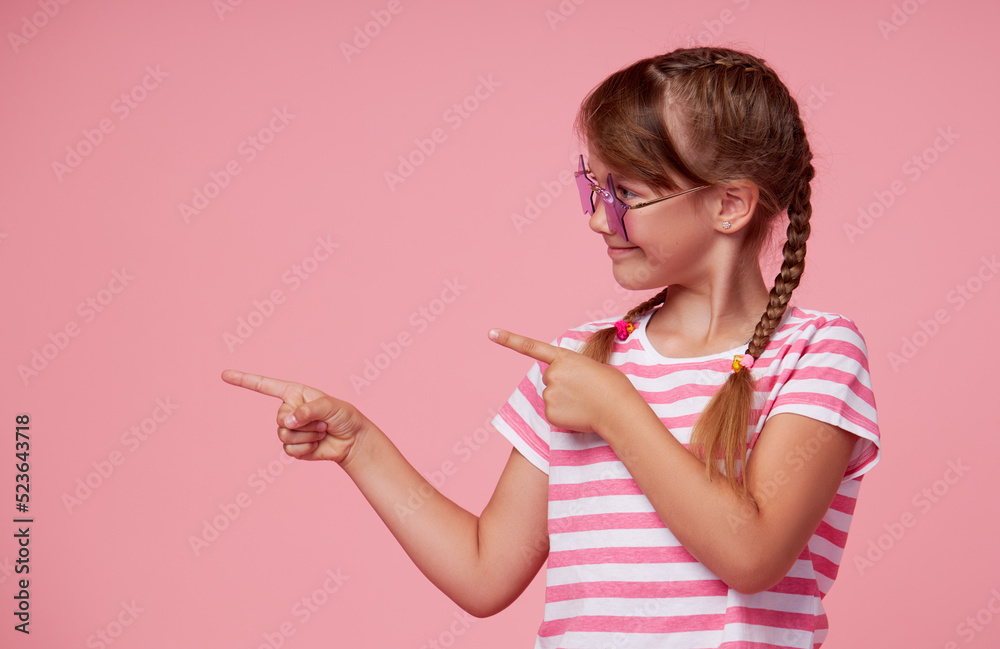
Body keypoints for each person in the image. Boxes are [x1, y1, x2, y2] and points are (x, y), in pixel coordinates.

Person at [222, 46, 881, 649]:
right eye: (594, 188)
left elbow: (753, 554)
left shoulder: (817, 352)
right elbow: (485, 571)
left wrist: (616, 410)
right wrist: (360, 446)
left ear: (730, 204)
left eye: (626, 193)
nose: (598, 217)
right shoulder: (581, 365)